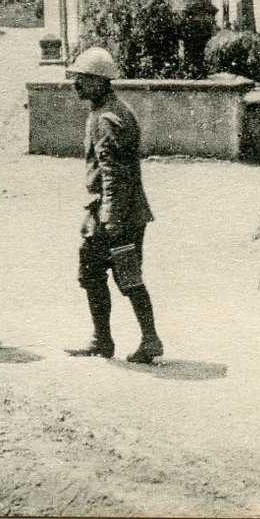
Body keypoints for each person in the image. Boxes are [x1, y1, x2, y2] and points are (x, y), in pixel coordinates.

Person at [63, 47, 164, 364]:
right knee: (92, 273)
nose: (76, 85)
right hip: (113, 212)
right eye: (76, 78)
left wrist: (110, 218)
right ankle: (102, 340)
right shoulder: (106, 110)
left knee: (127, 276)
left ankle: (149, 341)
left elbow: (112, 174)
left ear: (100, 82)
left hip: (118, 214)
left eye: (83, 79)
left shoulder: (108, 119)